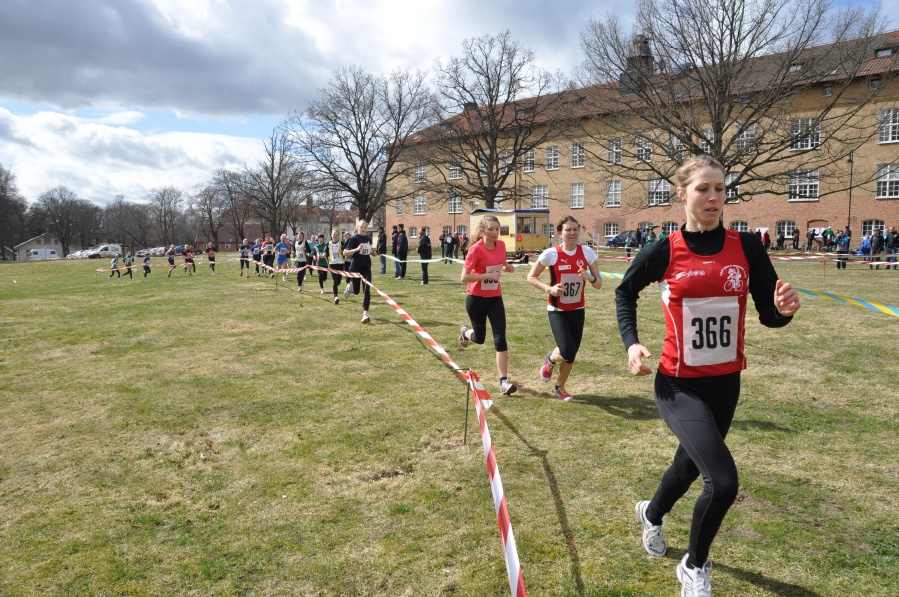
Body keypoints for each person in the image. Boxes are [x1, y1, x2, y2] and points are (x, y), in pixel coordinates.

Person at [615, 155, 800, 597]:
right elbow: (624, 291)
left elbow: (769, 314)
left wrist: (784, 311)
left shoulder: (748, 247)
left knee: (688, 465)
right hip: (678, 383)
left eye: (720, 188)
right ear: (682, 194)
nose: (714, 197)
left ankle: (652, 514)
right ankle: (694, 566)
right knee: (723, 481)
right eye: (703, 189)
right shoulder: (664, 249)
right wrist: (632, 343)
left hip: (726, 382)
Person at [526, 215, 602, 401]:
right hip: (557, 310)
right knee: (567, 350)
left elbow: (599, 283)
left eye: (575, 229)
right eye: (568, 230)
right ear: (560, 233)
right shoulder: (551, 254)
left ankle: (560, 387)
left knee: (571, 355)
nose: (572, 233)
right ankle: (550, 359)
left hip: (578, 309)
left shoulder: (587, 253)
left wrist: (589, 278)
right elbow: (531, 277)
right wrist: (549, 289)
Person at [459, 214, 518, 396]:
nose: (494, 233)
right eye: (491, 229)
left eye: (497, 229)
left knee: (500, 338)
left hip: (495, 298)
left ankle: (503, 382)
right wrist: (485, 276)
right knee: (480, 338)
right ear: (483, 230)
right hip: (476, 299)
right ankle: (465, 333)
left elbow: (500, 262)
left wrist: (507, 266)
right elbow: (464, 277)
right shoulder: (476, 250)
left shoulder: (500, 245)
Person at [343, 220, 374, 324]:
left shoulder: (368, 239)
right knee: (356, 291)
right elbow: (345, 252)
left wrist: (373, 253)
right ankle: (349, 288)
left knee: (366, 290)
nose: (363, 229)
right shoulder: (353, 239)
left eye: (365, 227)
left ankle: (365, 314)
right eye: (361, 227)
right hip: (355, 268)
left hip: (366, 267)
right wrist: (356, 249)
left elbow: (368, 251)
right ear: (357, 228)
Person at [327, 229, 345, 305]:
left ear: (339, 235)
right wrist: (325, 255)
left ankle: (334, 288)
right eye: (333, 234)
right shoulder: (329, 243)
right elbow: (326, 251)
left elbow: (346, 251)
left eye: (336, 234)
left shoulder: (342, 243)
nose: (335, 235)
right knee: (335, 281)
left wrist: (342, 251)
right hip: (332, 264)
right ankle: (336, 297)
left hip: (340, 264)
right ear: (331, 235)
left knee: (338, 282)